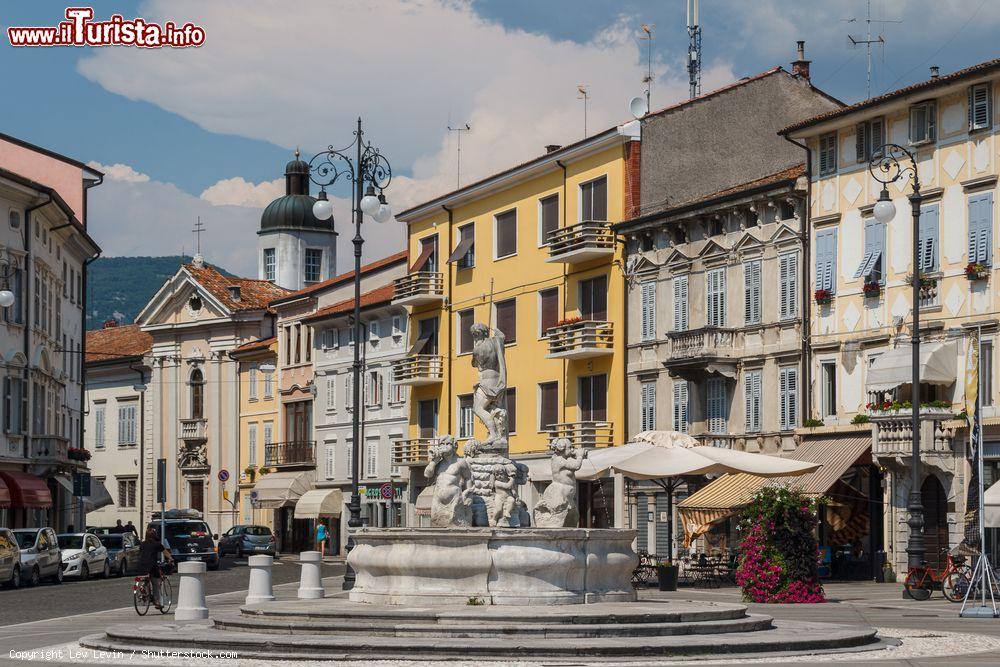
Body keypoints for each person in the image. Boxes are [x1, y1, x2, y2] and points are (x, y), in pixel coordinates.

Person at [139, 527, 173, 609]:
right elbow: (165, 553)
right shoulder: (157, 544)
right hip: (151, 565)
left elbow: (142, 553)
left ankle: (143, 586)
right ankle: (157, 602)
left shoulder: (142, 544)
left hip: (141, 565)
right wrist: (171, 559)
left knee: (146, 577)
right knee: (155, 582)